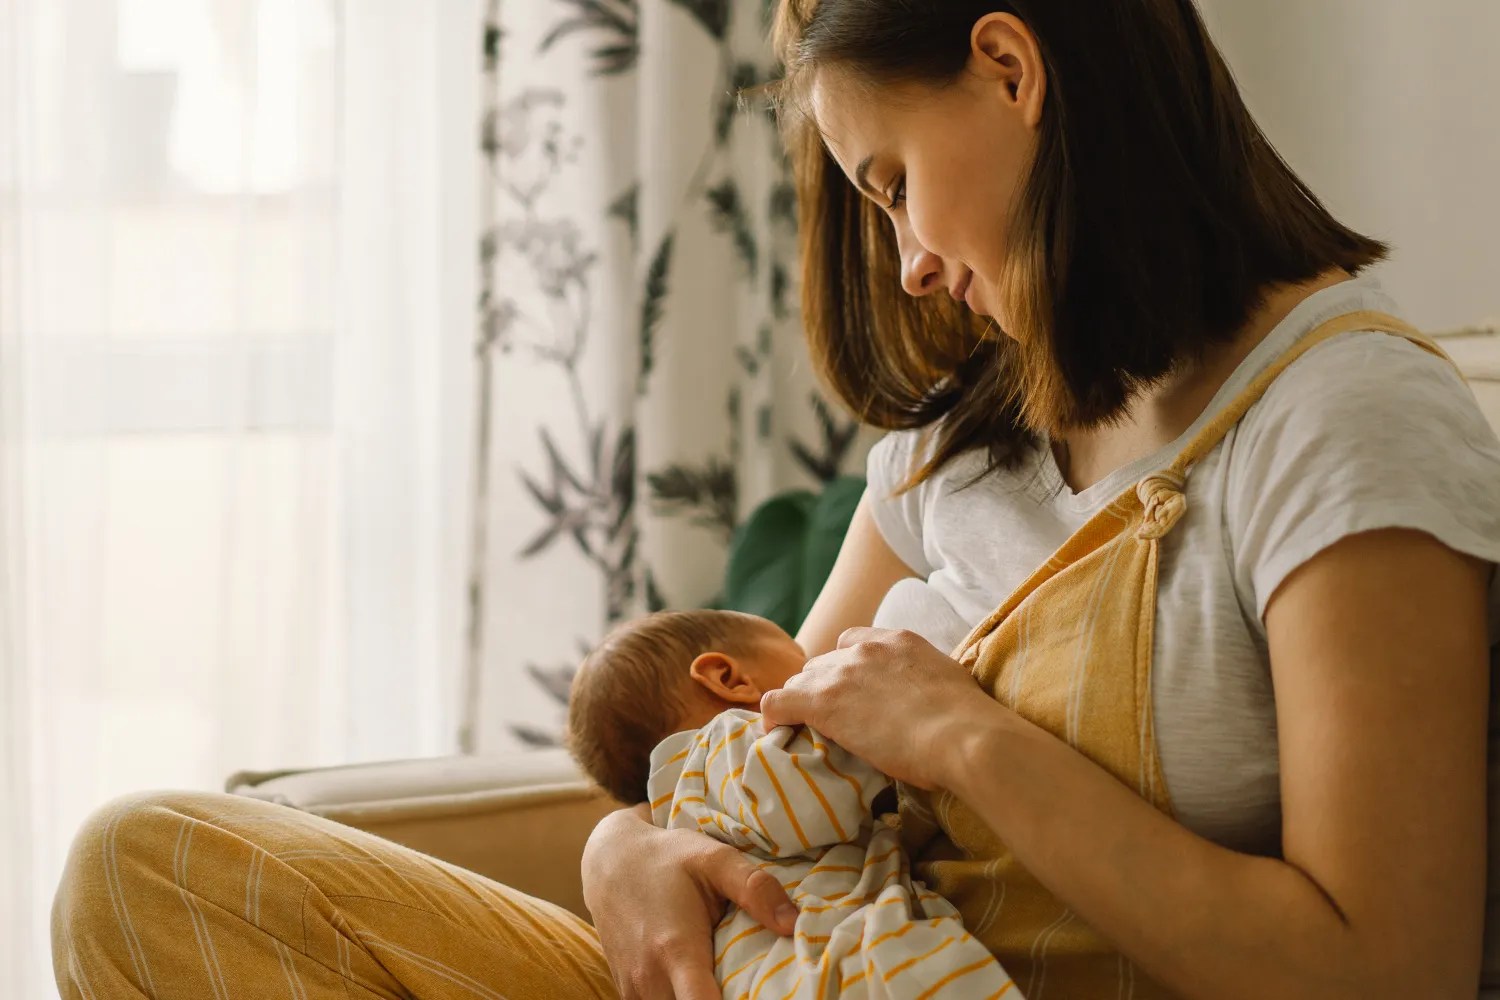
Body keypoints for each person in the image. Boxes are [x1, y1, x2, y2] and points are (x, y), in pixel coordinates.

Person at [50, 2, 1500, 998]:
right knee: (144, 872)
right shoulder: (958, 451)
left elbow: (1389, 970)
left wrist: (971, 743)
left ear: (1012, 67)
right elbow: (754, 765)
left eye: (890, 185)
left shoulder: (1342, 420)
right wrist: (627, 845)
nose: (913, 264)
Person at [565, 608, 1018, 997]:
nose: (821, 670)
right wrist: (893, 721)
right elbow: (807, 799)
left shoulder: (687, 809)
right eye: (807, 663)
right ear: (729, 678)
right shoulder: (725, 747)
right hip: (821, 959)